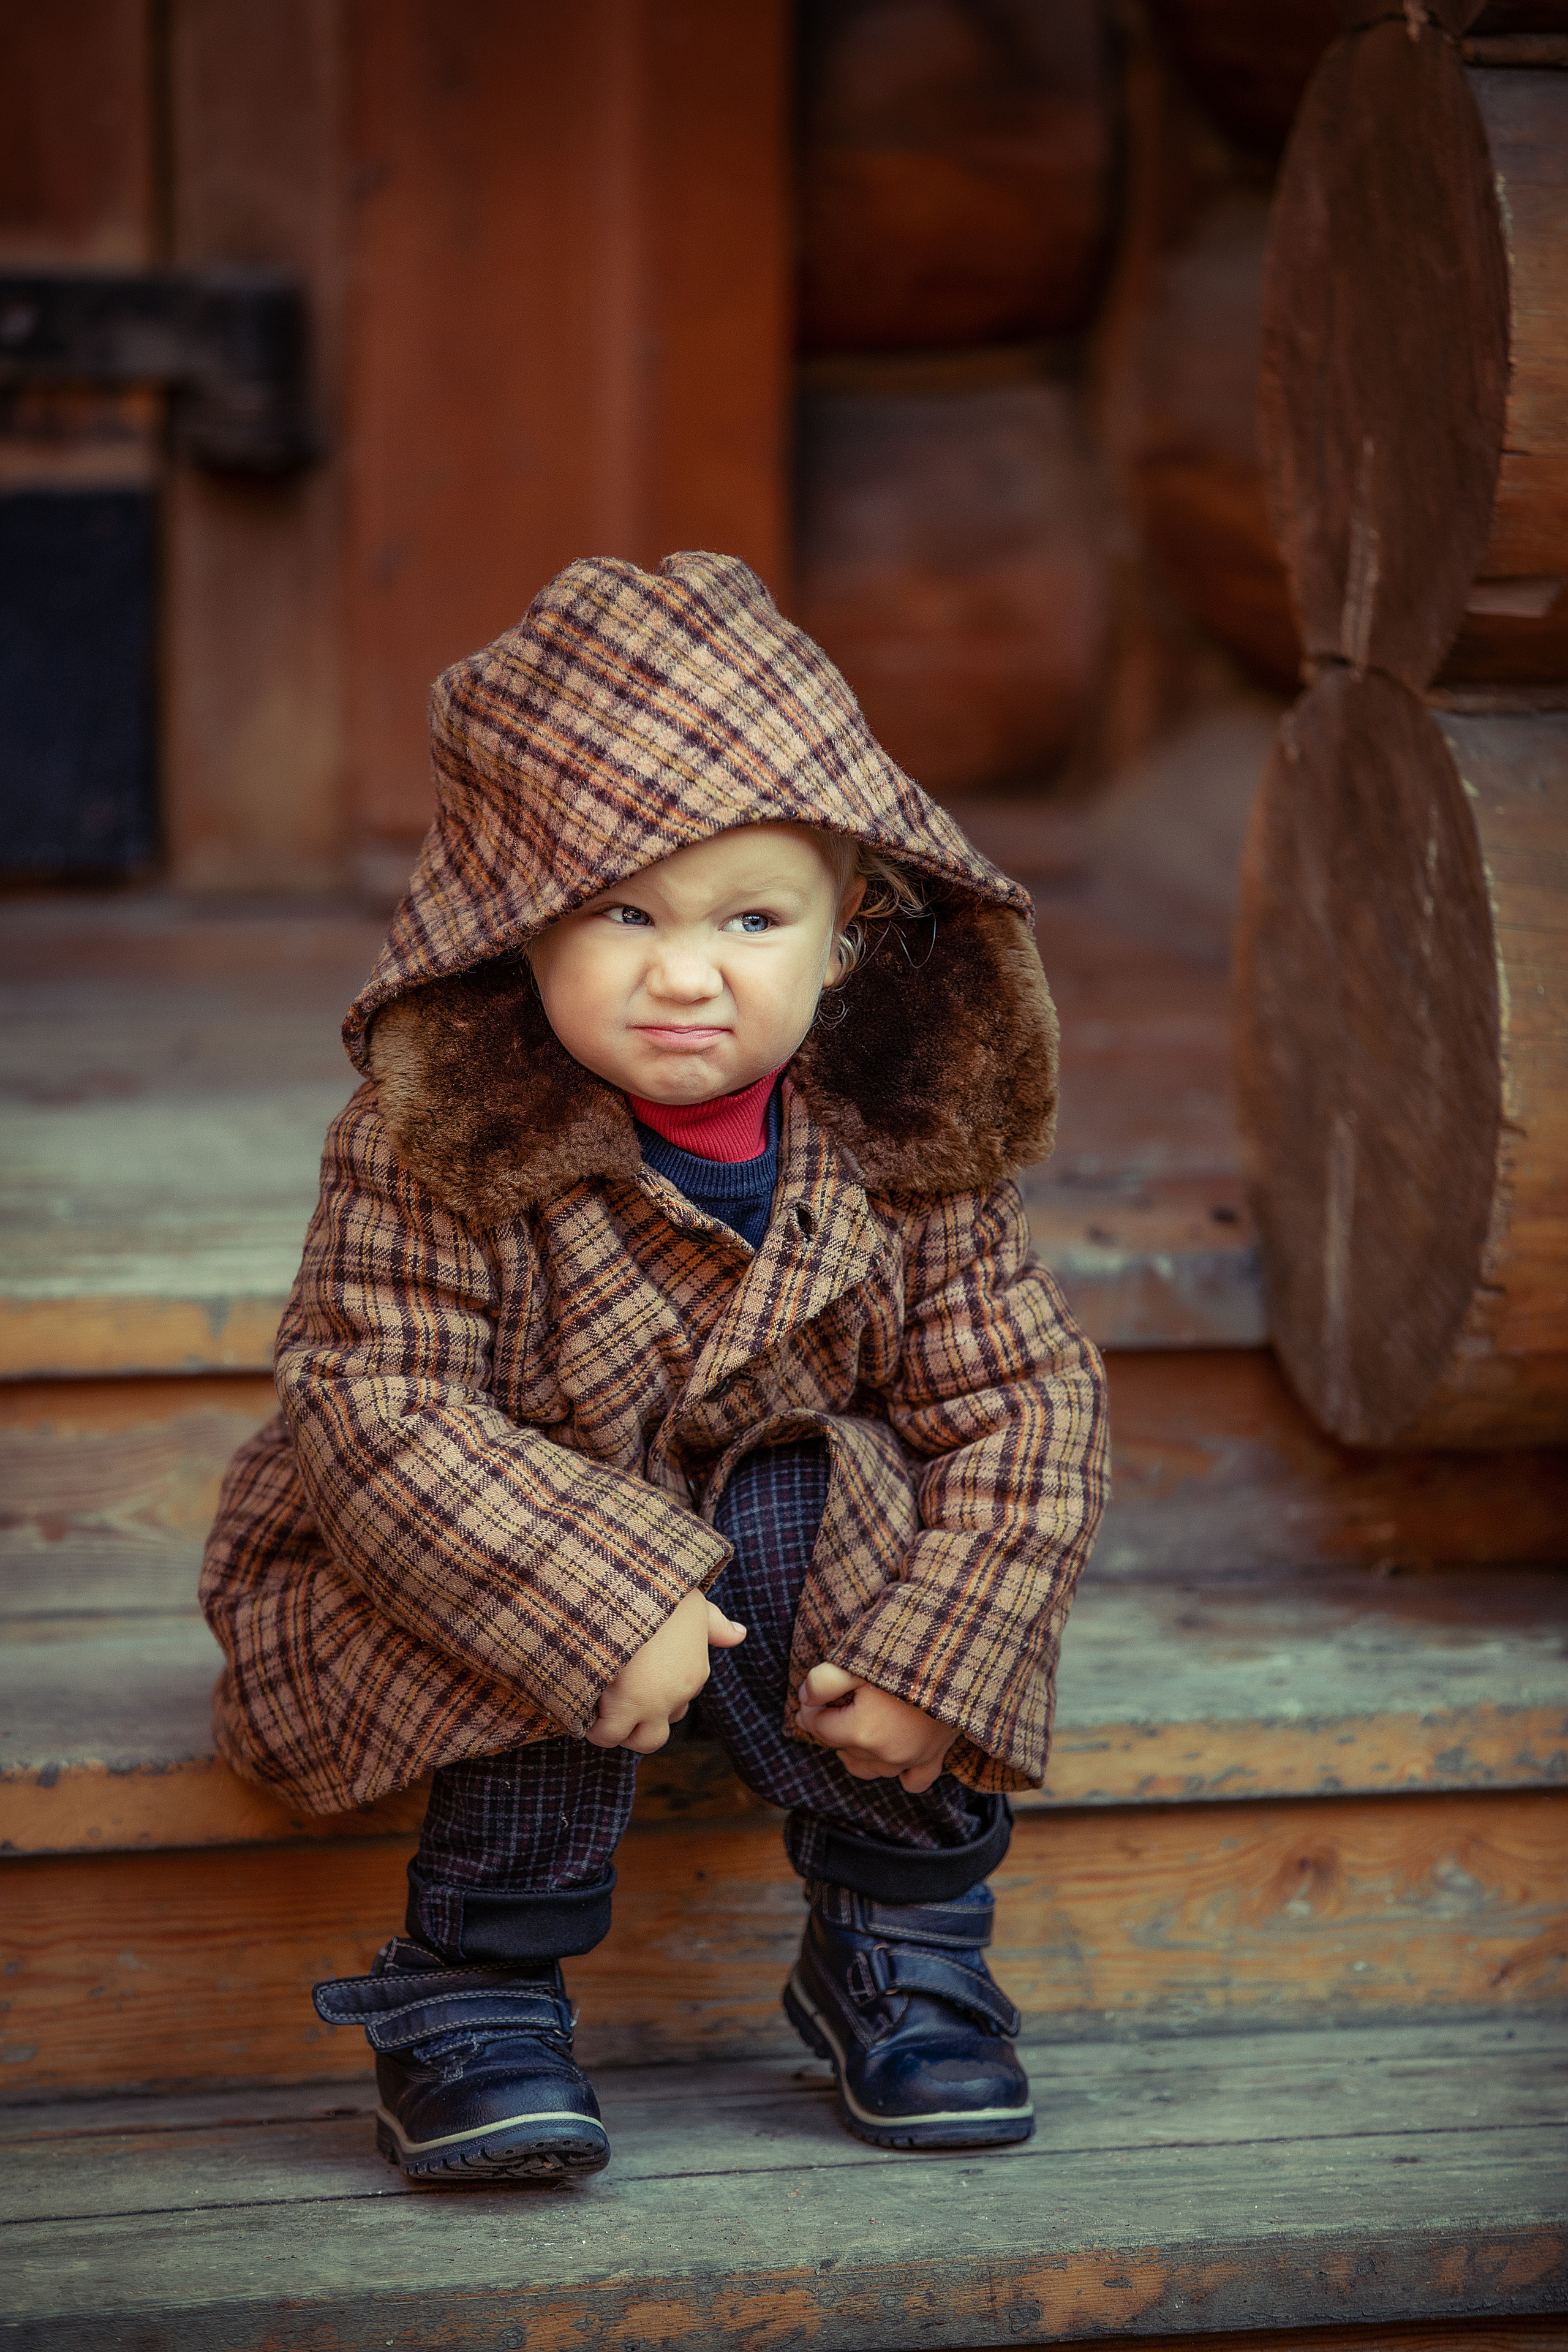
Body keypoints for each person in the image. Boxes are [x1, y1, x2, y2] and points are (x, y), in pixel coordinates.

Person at [200, 551, 1108, 2185]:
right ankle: (478, 1977)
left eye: (752, 919)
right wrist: (600, 1590)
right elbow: (372, 1396)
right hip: (476, 1567)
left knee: (844, 1494)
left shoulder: (910, 1145)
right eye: (621, 913)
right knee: (533, 1546)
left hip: (784, 1587)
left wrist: (943, 1652)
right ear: (514, 927)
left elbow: (1022, 1403)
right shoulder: (438, 1140)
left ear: (847, 940)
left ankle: (896, 1939)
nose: (686, 974)